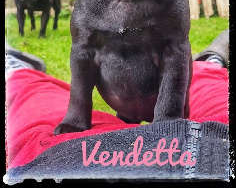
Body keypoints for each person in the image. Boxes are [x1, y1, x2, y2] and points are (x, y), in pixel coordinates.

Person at [4, 30, 230, 184]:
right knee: (212, 98)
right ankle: (209, 64)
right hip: (213, 154)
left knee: (41, 114)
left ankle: (18, 72)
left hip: (87, 162)